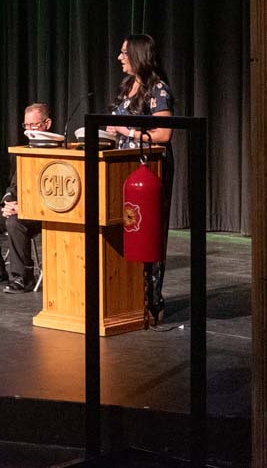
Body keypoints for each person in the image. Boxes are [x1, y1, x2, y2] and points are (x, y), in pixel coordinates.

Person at [105, 33, 174, 320]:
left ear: (138, 54)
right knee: (126, 232)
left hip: (148, 170)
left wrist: (127, 131)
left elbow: (164, 133)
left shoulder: (157, 89)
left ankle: (151, 302)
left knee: (148, 232)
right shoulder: (127, 86)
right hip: (122, 167)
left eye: (124, 52)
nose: (120, 57)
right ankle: (129, 298)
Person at [0, 103, 51, 291]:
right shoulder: (26, 152)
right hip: (20, 208)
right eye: (27, 126)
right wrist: (8, 201)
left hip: (43, 212)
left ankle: (23, 277)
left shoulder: (58, 153)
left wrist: (23, 207)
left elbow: (52, 195)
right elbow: (14, 186)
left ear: (47, 124)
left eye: (35, 125)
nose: (30, 131)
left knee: (15, 222)